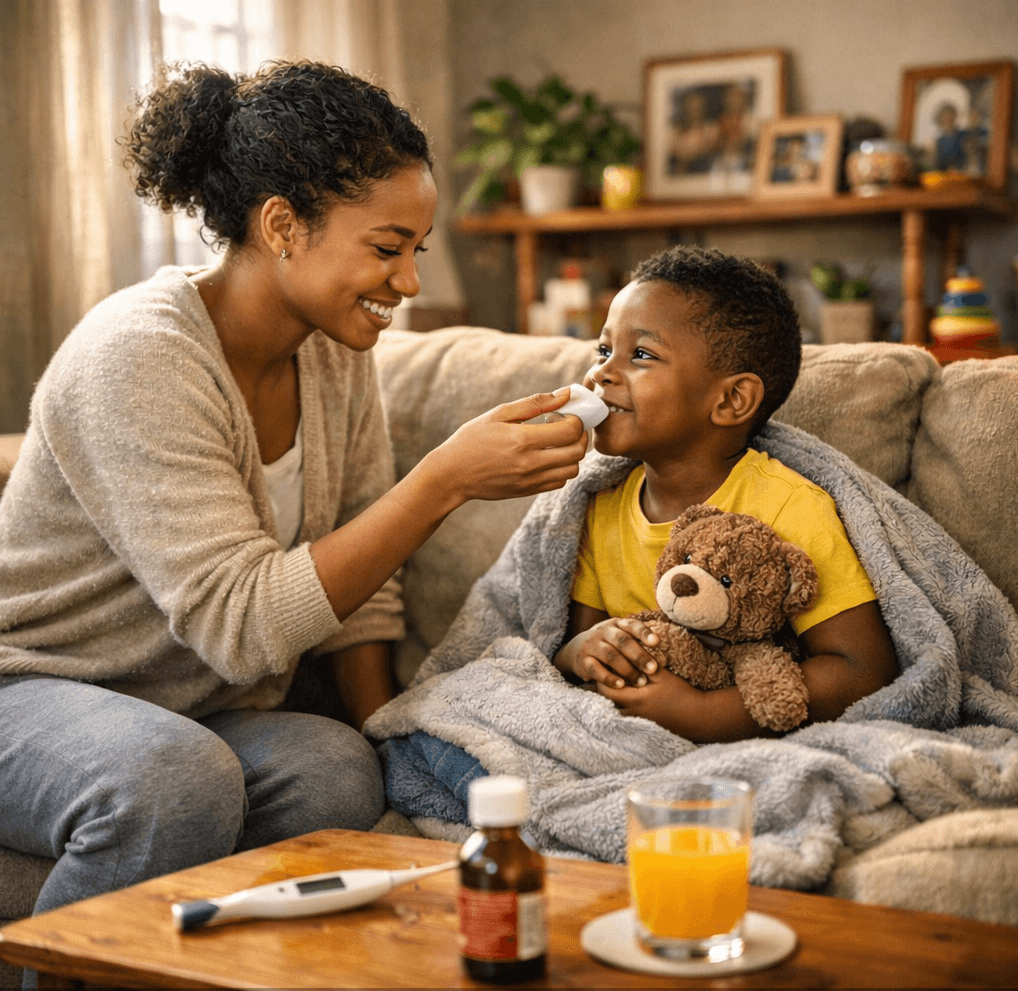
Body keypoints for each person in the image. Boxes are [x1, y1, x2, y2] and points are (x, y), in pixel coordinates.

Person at [0, 59, 587, 931]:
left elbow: (361, 585)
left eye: (414, 252)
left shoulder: (332, 355)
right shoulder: (139, 356)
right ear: (282, 225)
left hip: (186, 710)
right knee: (173, 776)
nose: (409, 283)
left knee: (336, 770)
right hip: (33, 687)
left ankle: (205, 958)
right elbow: (242, 628)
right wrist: (445, 480)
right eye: (386, 249)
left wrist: (386, 733)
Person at [552, 245, 898, 743]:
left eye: (641, 355)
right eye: (603, 350)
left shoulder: (788, 505)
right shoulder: (599, 507)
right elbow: (568, 648)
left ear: (731, 399)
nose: (602, 374)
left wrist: (707, 713)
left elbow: (862, 671)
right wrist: (581, 651)